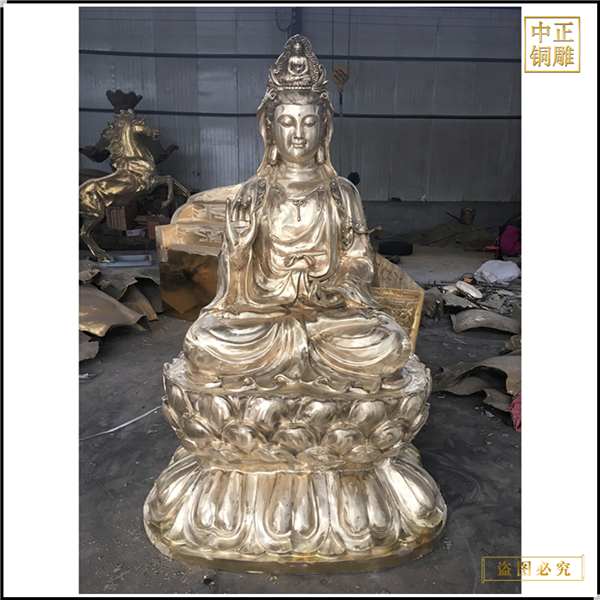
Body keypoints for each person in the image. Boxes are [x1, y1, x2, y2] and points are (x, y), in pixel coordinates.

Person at [182, 35, 411, 394]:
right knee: (205, 341)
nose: (299, 134)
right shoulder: (252, 194)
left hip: (328, 317)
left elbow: (359, 260)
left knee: (390, 344)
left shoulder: (342, 192)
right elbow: (231, 292)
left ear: (324, 128)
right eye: (288, 123)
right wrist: (239, 252)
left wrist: (339, 288)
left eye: (309, 123)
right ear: (271, 129)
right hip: (264, 315)